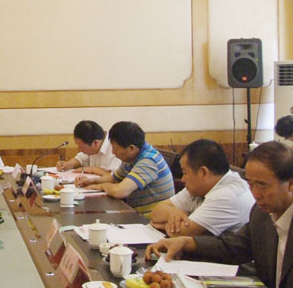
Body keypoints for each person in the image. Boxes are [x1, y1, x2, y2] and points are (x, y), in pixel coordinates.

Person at [146, 141, 293, 288]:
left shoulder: (240, 199)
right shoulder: (261, 213)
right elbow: (235, 246)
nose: (255, 194)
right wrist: (186, 242)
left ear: (291, 184)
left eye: (262, 185)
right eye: (250, 184)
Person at [150, 139, 254, 237]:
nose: (182, 179)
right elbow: (156, 212)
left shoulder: (227, 195)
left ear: (203, 172)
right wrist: (174, 213)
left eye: (185, 173)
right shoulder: (200, 187)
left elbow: (180, 233)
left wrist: (164, 225)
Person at [77, 121, 174, 217]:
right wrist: (91, 181)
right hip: (135, 212)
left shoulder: (149, 161)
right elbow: (114, 178)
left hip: (151, 218)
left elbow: (119, 191)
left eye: (116, 149)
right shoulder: (131, 158)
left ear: (131, 148)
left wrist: (100, 186)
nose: (113, 152)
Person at [56, 120, 121, 175]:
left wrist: (92, 169)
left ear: (95, 143)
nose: (80, 149)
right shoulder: (93, 144)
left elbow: (115, 176)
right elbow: (81, 159)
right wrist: (67, 165)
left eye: (81, 147)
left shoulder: (116, 148)